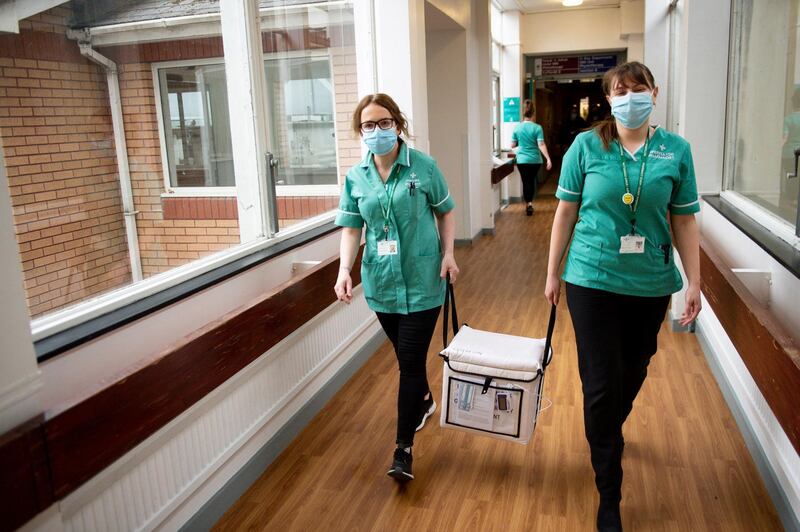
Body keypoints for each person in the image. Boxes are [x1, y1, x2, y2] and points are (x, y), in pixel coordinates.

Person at [544, 62, 701, 532]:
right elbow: (565, 211)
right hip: (591, 279)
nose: (630, 98)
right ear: (608, 99)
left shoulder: (676, 151)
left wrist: (694, 281)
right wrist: (552, 273)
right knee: (599, 383)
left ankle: (607, 428)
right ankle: (608, 492)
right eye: (620, 91)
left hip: (650, 283)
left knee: (632, 370)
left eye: (638, 90)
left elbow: (685, 219)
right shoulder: (586, 146)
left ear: (654, 93)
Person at [333, 93, 459, 482]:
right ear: (360, 131)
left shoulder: (423, 166)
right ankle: (423, 401)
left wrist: (449, 254)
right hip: (381, 284)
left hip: (423, 281)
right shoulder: (356, 177)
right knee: (409, 361)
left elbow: (446, 210)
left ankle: (403, 449)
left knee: (408, 361)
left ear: (397, 124)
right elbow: (353, 228)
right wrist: (343, 270)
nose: (377, 131)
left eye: (384, 123)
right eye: (368, 125)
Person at [511, 100, 553, 215]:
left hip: (522, 160)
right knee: (531, 180)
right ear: (533, 113)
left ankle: (528, 203)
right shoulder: (537, 128)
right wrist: (548, 158)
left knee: (526, 182)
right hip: (535, 160)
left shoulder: (517, 128)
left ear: (523, 113)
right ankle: (530, 202)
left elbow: (513, 145)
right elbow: (541, 144)